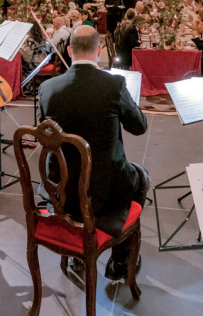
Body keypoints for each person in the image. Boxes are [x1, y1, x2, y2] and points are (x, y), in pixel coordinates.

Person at [38, 26, 150, 281]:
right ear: (99, 51)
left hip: (60, 191)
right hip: (103, 193)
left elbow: (45, 136)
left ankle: (78, 251)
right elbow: (139, 127)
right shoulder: (114, 84)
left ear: (69, 51)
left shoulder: (48, 88)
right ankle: (120, 258)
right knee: (141, 177)